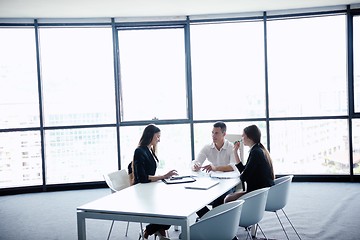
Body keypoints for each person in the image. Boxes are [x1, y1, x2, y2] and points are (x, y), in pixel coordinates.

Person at [129, 124, 178, 240]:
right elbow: (142, 178)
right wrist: (163, 176)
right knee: (168, 212)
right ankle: (150, 231)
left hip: (150, 188)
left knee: (172, 205)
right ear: (150, 135)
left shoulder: (150, 149)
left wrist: (164, 177)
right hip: (142, 191)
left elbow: (150, 172)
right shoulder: (139, 151)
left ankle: (152, 231)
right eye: (157, 137)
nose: (159, 140)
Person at [191, 121, 238, 218]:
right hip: (212, 182)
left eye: (216, 133)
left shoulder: (230, 147)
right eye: (212, 132)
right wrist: (196, 165)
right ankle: (208, 219)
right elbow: (196, 161)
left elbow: (234, 166)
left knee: (220, 199)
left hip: (228, 183)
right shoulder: (207, 147)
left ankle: (212, 222)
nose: (213, 135)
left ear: (224, 134)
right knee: (194, 198)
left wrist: (215, 168)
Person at [224, 124, 275, 203]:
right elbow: (244, 170)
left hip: (259, 193)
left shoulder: (255, 152)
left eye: (243, 136)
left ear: (249, 137)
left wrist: (242, 174)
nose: (241, 138)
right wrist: (235, 152)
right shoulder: (258, 149)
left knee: (228, 199)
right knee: (229, 197)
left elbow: (243, 177)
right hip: (262, 190)